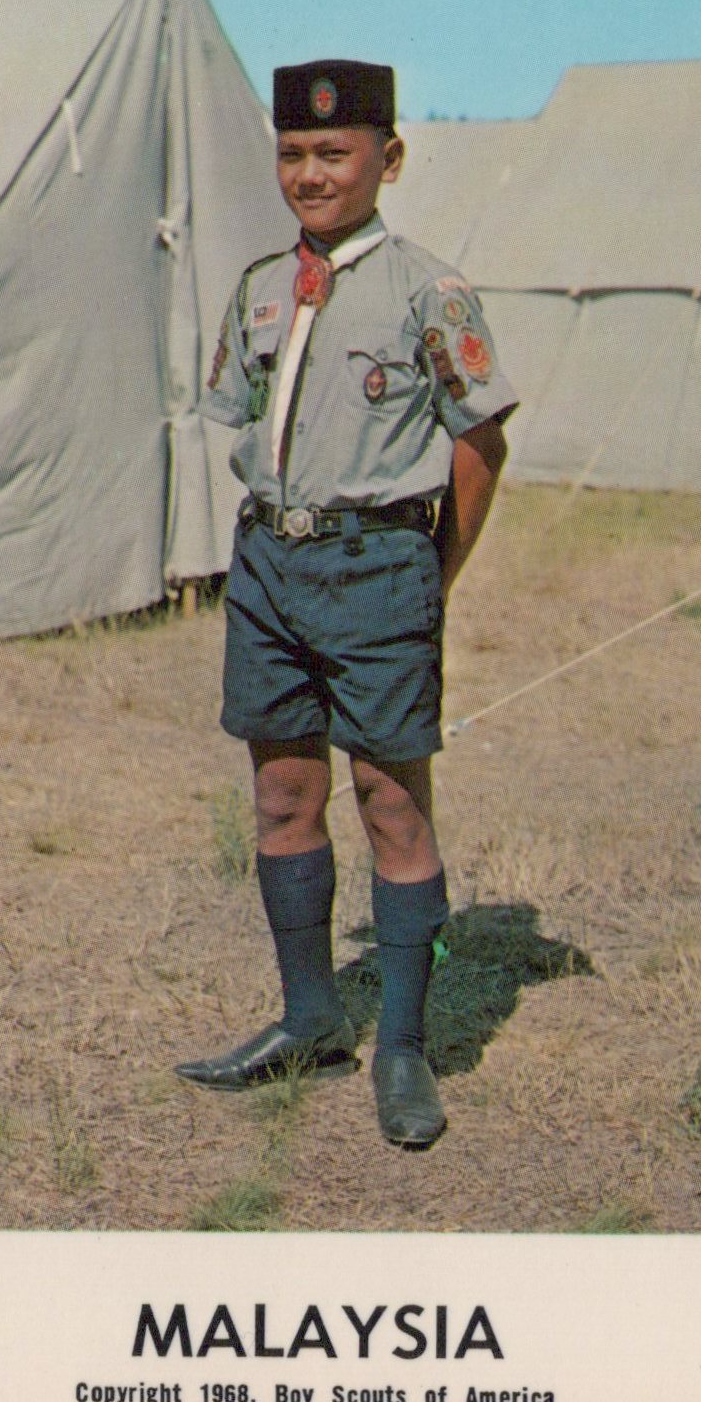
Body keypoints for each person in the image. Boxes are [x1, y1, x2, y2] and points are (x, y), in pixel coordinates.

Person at [175, 60, 518, 1148]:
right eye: (294, 153)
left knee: (390, 804)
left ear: (389, 158)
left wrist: (431, 577)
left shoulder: (429, 290)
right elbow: (240, 412)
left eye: (335, 152)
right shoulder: (259, 288)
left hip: (380, 569)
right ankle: (311, 1018)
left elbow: (481, 443)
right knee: (283, 794)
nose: (311, 174)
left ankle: (404, 1047)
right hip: (272, 567)